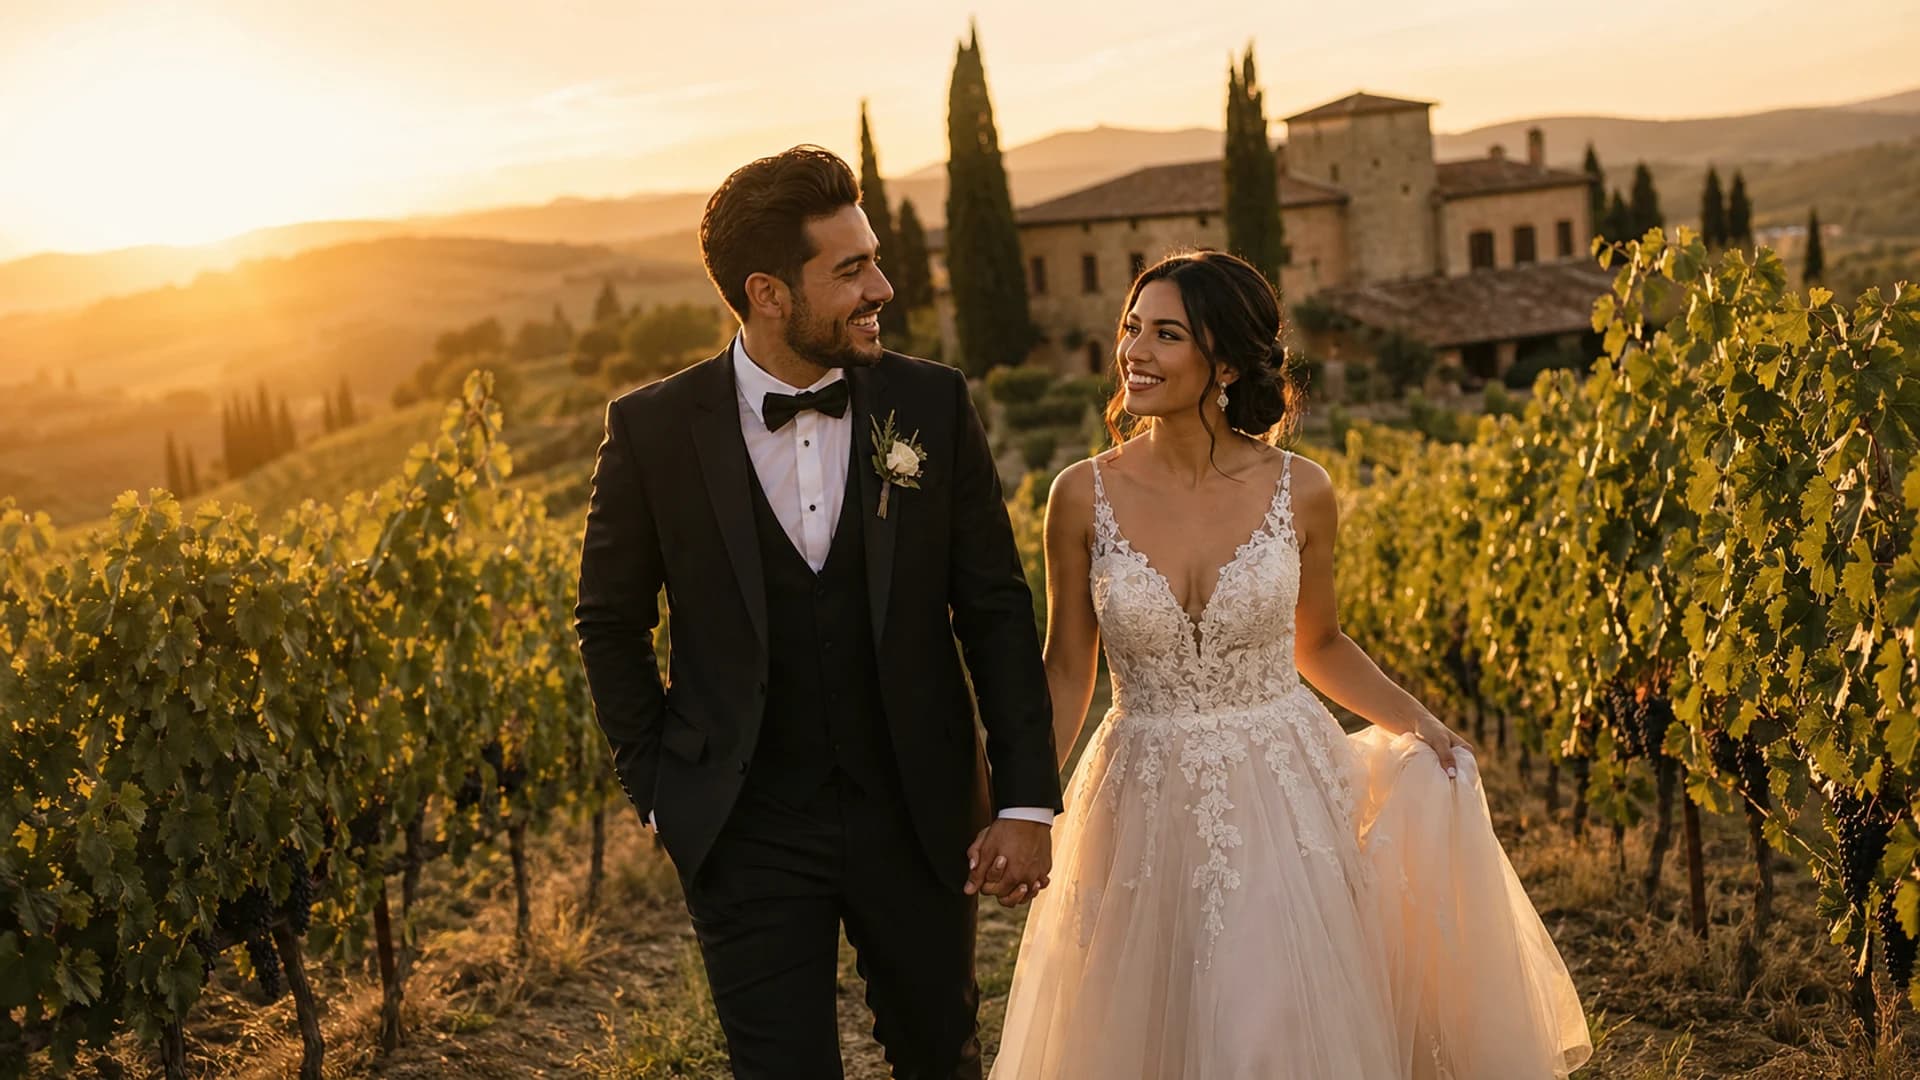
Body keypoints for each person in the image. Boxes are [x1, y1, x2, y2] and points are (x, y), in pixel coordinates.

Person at [989, 250, 1592, 1078]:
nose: (1134, 352)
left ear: (1227, 364)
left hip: (1281, 786)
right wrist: (1022, 805)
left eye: (1166, 334)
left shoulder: (1300, 489)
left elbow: (1321, 643)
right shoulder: (1078, 495)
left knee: (1269, 1020)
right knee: (1145, 1019)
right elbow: (1066, 671)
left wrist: (1421, 723)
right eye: (1132, 328)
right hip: (1139, 793)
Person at [575, 145, 1061, 1080]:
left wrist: (1024, 799)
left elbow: (995, 609)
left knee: (940, 1057)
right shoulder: (653, 429)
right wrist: (662, 790)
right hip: (744, 823)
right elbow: (609, 622)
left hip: (917, 811)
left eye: (874, 260)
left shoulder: (931, 402)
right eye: (851, 270)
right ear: (767, 293)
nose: (883, 287)